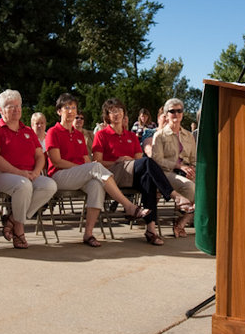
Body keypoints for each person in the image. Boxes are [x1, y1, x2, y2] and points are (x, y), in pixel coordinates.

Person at [46, 93, 149, 248]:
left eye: (73, 107)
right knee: (95, 167)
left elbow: (87, 161)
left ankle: (88, 234)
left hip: (79, 175)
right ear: (59, 111)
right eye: (66, 107)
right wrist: (85, 169)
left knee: (96, 184)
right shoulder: (53, 132)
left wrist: (87, 169)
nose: (71, 111)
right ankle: (128, 206)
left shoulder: (79, 135)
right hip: (59, 176)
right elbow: (56, 161)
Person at [92, 98, 175, 246]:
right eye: (112, 112)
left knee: (148, 179)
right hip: (112, 174)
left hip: (131, 172)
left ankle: (151, 230)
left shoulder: (131, 136)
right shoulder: (101, 135)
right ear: (107, 116)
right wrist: (118, 161)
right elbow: (97, 162)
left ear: (124, 113)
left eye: (119, 110)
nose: (116, 114)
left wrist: (128, 160)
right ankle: (172, 194)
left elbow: (138, 160)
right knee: (148, 163)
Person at [0, 90, 57, 250]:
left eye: (18, 106)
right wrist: (20, 173)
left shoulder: (28, 131)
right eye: (11, 107)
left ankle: (12, 219)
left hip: (28, 174)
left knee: (49, 185)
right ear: (1, 110)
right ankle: (19, 229)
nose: (16, 109)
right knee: (23, 185)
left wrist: (37, 171)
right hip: (0, 175)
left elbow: (40, 156)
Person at [150, 98, 197, 237]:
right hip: (167, 173)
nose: (176, 114)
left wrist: (192, 170)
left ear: (182, 113)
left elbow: (194, 158)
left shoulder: (189, 135)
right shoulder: (159, 135)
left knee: (209, 188)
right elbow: (156, 159)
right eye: (172, 111)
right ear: (166, 114)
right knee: (189, 186)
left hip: (186, 172)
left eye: (179, 111)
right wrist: (178, 166)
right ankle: (181, 220)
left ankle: (181, 222)